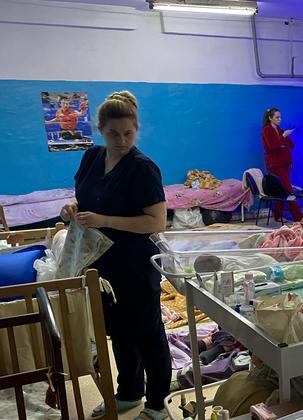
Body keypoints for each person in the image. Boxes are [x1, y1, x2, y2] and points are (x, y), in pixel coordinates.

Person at [60, 91, 171, 420]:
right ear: (100, 130)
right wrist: (72, 209)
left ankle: (156, 405)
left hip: (136, 264)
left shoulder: (142, 169)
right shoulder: (92, 159)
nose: (121, 140)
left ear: (136, 130)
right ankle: (128, 393)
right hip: (103, 267)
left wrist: (104, 221)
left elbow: (156, 222)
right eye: (113, 133)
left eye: (128, 133)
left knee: (148, 333)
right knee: (119, 332)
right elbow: (89, 199)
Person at [261, 108, 303, 224]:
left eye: (280, 117)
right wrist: (283, 138)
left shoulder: (280, 130)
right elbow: (272, 146)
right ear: (270, 118)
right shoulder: (267, 130)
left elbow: (291, 145)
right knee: (288, 189)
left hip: (285, 164)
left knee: (281, 190)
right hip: (276, 165)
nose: (280, 119)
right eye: (277, 117)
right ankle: (298, 216)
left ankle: (277, 216)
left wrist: (284, 136)